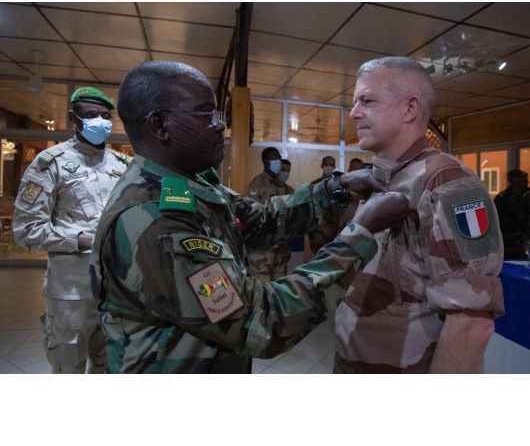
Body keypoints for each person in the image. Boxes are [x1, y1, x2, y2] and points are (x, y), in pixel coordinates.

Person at [89, 60, 409, 374]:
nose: (219, 125)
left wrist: (337, 188)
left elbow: (260, 221)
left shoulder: (190, 184)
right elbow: (262, 322)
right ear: (159, 125)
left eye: (218, 114)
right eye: (205, 114)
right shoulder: (155, 222)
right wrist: (361, 233)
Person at [334, 56, 505, 374]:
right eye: (356, 102)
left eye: (366, 101)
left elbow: (470, 324)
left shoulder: (448, 184)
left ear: (409, 109)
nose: (354, 112)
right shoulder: (384, 179)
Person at [12, 87, 130, 373]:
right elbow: (26, 230)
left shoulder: (123, 164)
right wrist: (78, 240)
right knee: (69, 368)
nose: (99, 121)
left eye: (105, 116)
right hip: (70, 290)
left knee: (110, 366)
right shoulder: (50, 164)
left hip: (115, 287)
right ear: (73, 118)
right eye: (91, 115)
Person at [246, 149, 292, 281]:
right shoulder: (257, 185)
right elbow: (253, 218)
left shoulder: (282, 186)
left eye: (279, 158)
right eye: (275, 159)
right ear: (266, 162)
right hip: (262, 252)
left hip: (280, 250)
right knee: (263, 290)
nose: (279, 162)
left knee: (279, 290)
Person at [494, 169, 530, 258]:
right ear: (512, 181)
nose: (526, 183)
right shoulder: (502, 198)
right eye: (522, 181)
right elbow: (496, 221)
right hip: (509, 243)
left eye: (526, 180)